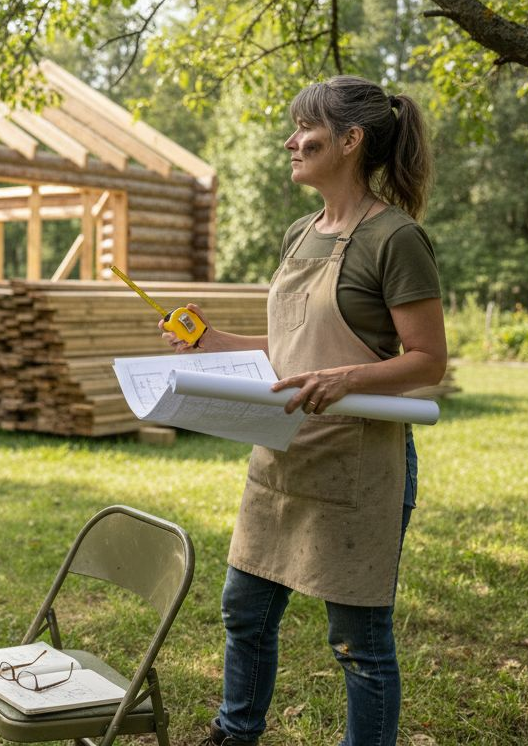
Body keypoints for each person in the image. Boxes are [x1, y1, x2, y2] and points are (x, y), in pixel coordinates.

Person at [160, 75, 447, 746]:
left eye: (306, 130)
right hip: (283, 452)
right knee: (244, 611)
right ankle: (236, 734)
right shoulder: (300, 232)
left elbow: (428, 360)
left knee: (357, 641)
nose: (291, 141)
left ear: (351, 141)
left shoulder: (395, 238)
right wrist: (211, 341)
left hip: (359, 465)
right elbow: (292, 345)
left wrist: (348, 377)